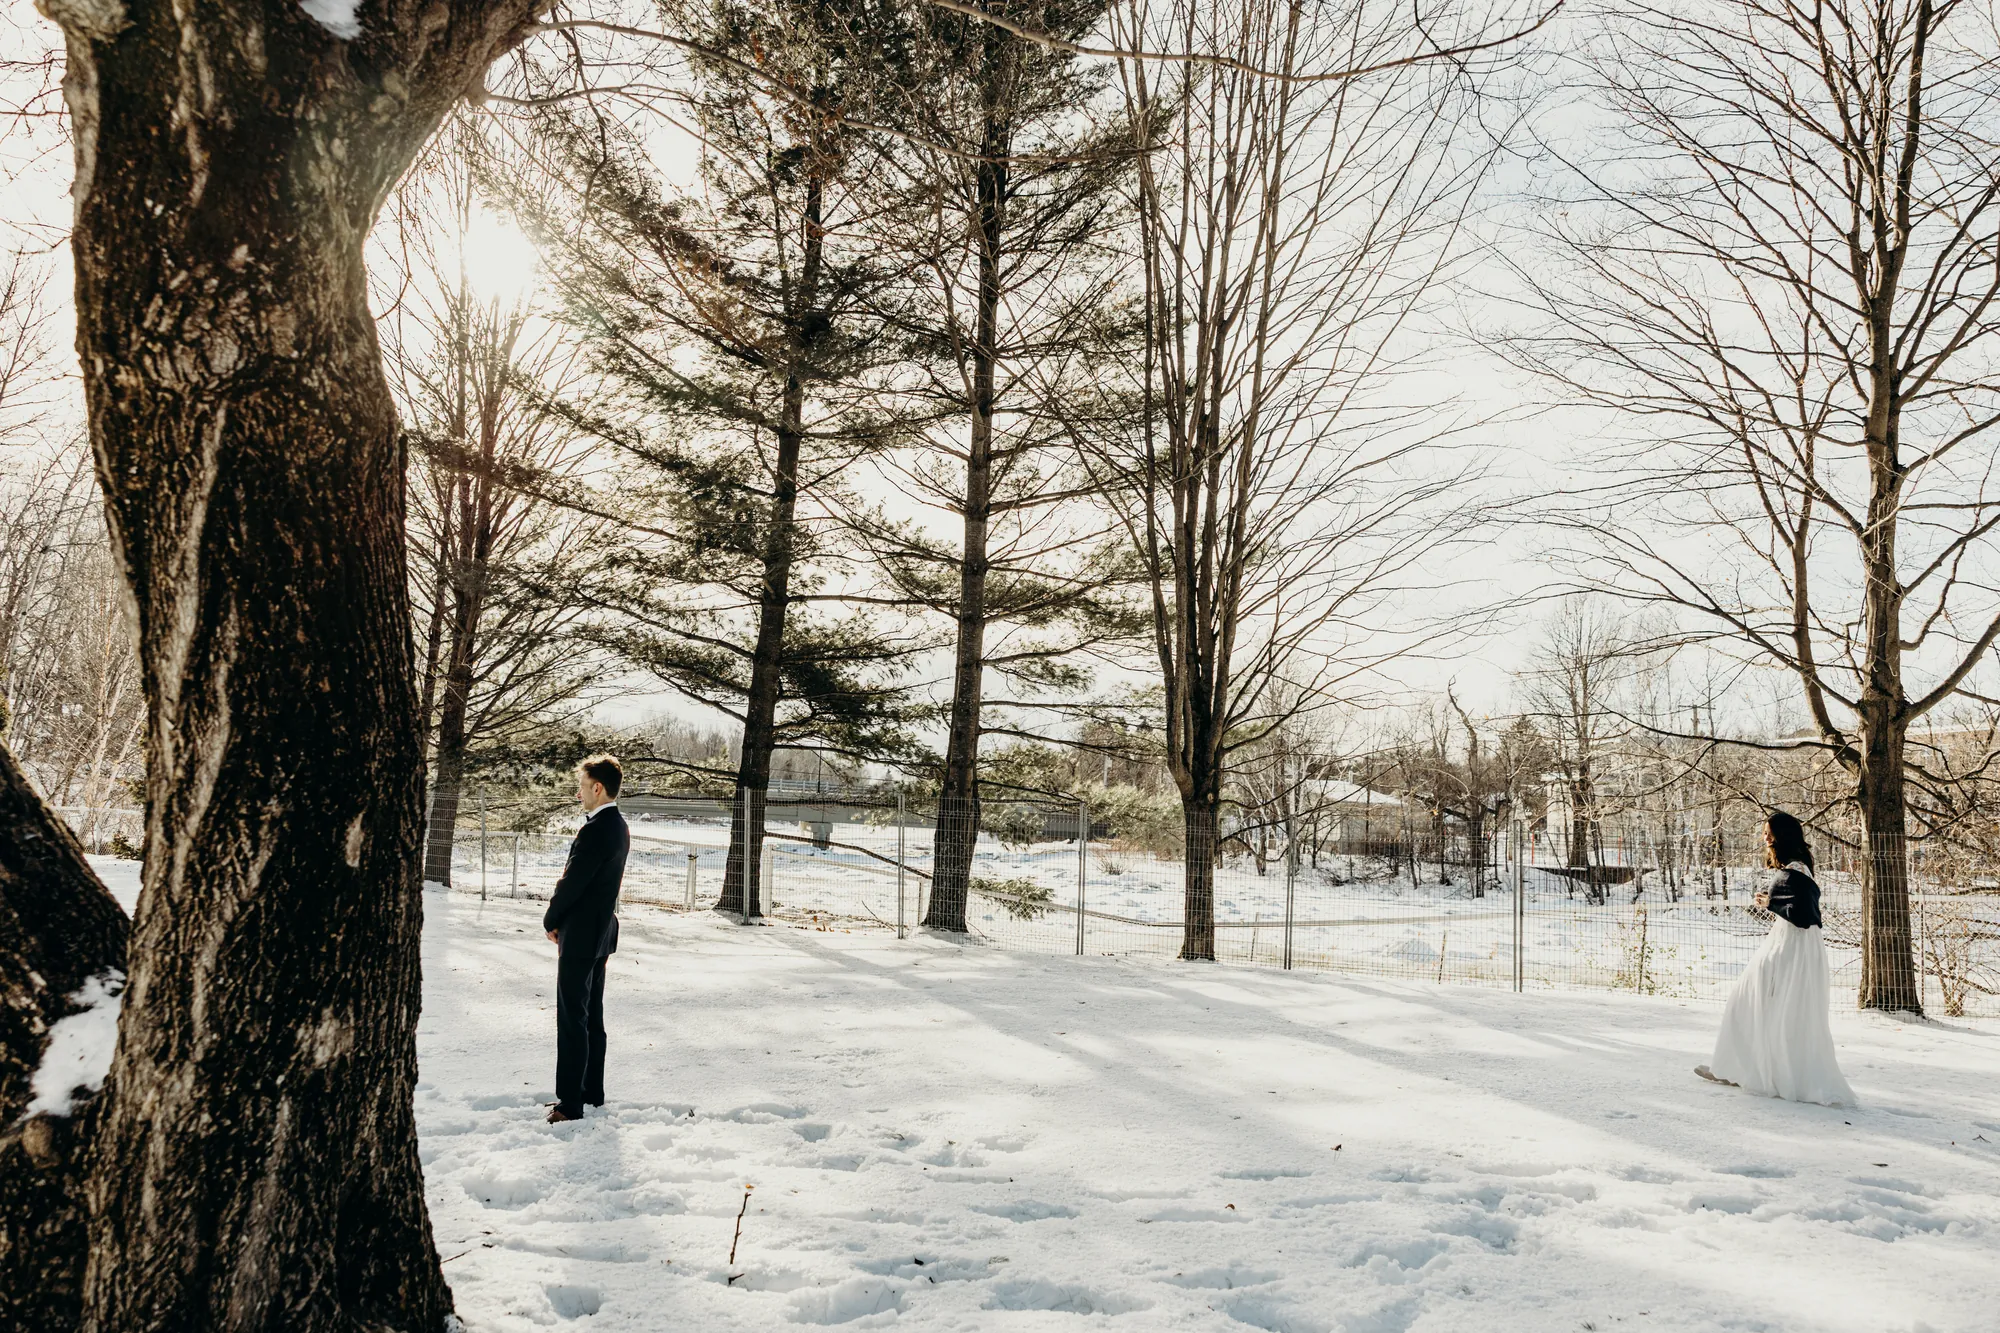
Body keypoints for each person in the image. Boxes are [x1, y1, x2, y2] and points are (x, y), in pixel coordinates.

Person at [1695, 810, 1856, 1107]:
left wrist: (1772, 903)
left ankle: (1741, 1069)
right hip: (1791, 946)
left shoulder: (1794, 872)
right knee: (1763, 1004)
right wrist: (1774, 903)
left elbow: (1805, 917)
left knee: (1754, 1000)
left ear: (1782, 836)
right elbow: (1798, 908)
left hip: (1791, 949)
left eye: (1769, 832)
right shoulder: (1797, 868)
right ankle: (1739, 1067)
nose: (1764, 837)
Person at [543, 754, 630, 1124]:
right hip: (601, 932)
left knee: (572, 1018)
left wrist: (551, 918)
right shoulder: (619, 825)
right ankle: (592, 1093)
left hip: (580, 934)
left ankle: (570, 1104)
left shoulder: (596, 829)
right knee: (591, 1016)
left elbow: (573, 882)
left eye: (581, 786)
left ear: (597, 787)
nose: (578, 794)